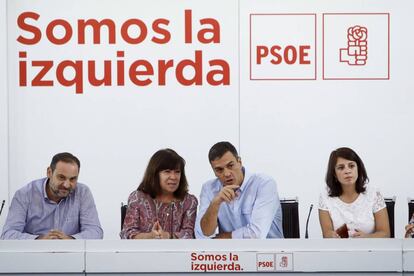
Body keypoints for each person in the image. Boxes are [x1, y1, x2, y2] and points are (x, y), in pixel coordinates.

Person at [1, 152, 103, 240]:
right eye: (61, 177)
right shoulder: (24, 194)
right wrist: (38, 239)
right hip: (34, 257)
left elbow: (95, 232)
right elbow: (7, 235)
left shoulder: (83, 193)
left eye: (72, 179)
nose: (67, 185)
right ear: (49, 172)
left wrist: (71, 239)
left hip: (71, 256)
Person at [195, 141, 283, 239]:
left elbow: (256, 234)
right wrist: (215, 203)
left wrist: (219, 239)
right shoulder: (209, 189)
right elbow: (203, 233)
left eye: (230, 165)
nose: (227, 173)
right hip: (230, 253)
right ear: (214, 171)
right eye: (219, 170)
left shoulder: (264, 184)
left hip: (268, 252)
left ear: (239, 162)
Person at [120, 149, 198, 239]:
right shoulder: (137, 198)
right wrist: (151, 236)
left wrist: (168, 236)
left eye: (177, 172)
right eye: (167, 171)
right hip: (144, 252)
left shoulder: (189, 201)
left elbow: (189, 234)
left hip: (177, 252)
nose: (173, 177)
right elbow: (127, 234)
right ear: (154, 174)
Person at [318, 147, 390, 238]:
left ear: (358, 169)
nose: (347, 171)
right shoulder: (325, 196)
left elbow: (385, 233)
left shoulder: (374, 193)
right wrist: (333, 236)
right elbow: (327, 233)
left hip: (369, 249)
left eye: (351, 166)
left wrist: (367, 237)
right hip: (340, 250)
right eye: (341, 168)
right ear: (334, 174)